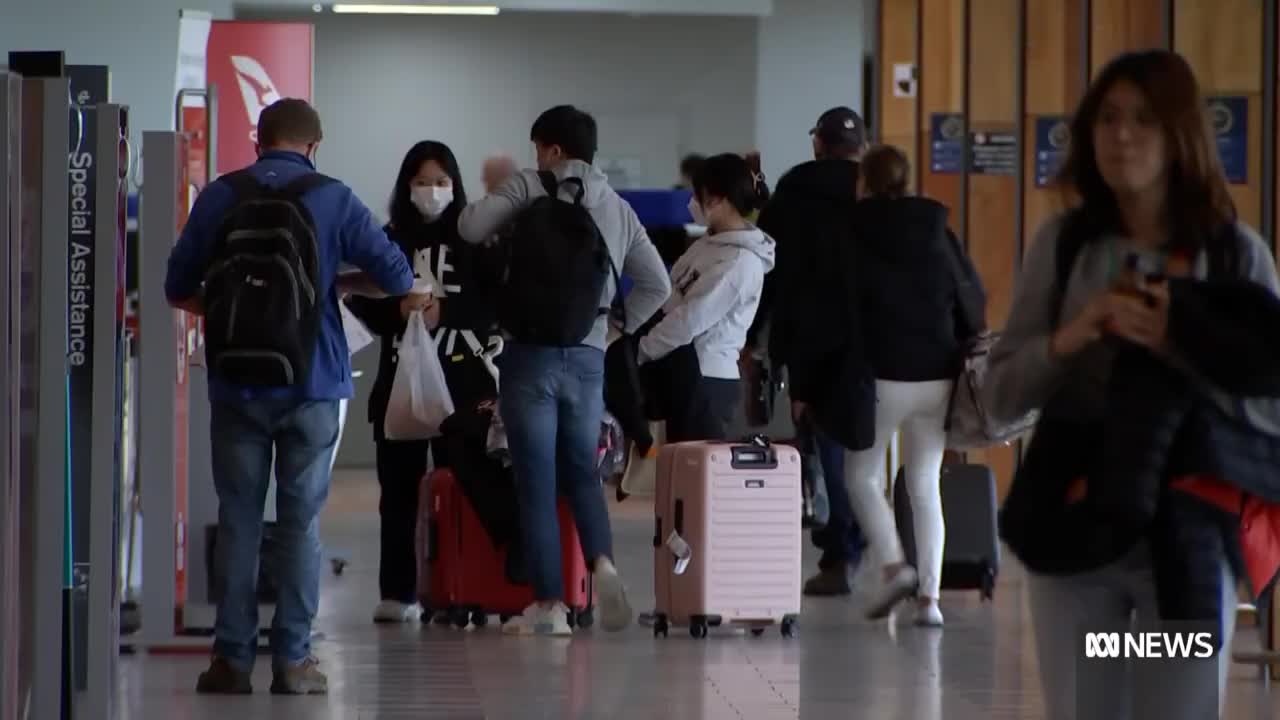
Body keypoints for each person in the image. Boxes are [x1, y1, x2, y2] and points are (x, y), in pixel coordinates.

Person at [986, 49, 1280, 720]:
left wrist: (1182, 344)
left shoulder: (1234, 254)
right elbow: (1002, 396)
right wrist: (1073, 335)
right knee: (1089, 707)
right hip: (1077, 533)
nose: (1122, 135)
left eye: (1144, 120)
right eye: (1109, 118)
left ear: (1180, 134)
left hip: (1184, 539)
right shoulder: (1064, 245)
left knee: (1174, 707)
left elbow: (1268, 403)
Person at [165, 98, 414, 695]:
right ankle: (294, 662)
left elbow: (177, 287)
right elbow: (399, 279)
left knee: (240, 520)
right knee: (300, 524)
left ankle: (230, 662)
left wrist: (229, 315)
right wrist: (334, 284)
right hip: (313, 382)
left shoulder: (222, 194)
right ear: (314, 145)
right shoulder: (333, 197)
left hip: (235, 385)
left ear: (258, 141)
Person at [457, 105, 671, 636]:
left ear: (551, 150)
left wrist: (516, 191)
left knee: (534, 480)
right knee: (582, 471)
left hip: (527, 354)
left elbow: (468, 226)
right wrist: (616, 327)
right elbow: (657, 284)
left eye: (538, 149)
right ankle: (603, 563)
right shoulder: (616, 207)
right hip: (587, 354)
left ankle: (550, 606)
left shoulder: (530, 187)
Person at [344, 140, 503, 624]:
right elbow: (359, 298)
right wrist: (398, 311)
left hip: (465, 386)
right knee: (398, 494)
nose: (431, 191)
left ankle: (465, 585)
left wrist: (445, 312)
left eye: (440, 182)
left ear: (454, 186)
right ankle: (398, 591)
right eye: (421, 182)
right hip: (400, 388)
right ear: (405, 186)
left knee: (468, 487)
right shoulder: (388, 237)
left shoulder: (475, 241)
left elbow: (496, 304)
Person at [835, 145, 985, 628]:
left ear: (866, 183)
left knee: (861, 477)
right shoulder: (937, 230)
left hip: (881, 373)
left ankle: (894, 565)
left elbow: (844, 304)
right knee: (924, 484)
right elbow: (971, 295)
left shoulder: (854, 232)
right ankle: (930, 601)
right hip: (938, 374)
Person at [747, 106, 869, 598]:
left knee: (825, 447)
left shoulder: (792, 192)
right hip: (873, 337)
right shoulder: (876, 192)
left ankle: (841, 552)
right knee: (864, 452)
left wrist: (753, 335)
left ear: (817, 142)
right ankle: (867, 549)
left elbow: (769, 270)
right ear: (860, 145)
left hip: (808, 337)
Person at [638, 154, 775, 442]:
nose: (692, 203)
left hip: (707, 379)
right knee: (677, 474)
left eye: (697, 195)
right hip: (681, 370)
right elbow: (671, 294)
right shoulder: (707, 243)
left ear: (715, 199)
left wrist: (641, 350)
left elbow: (690, 319)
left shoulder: (741, 262)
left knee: (696, 478)